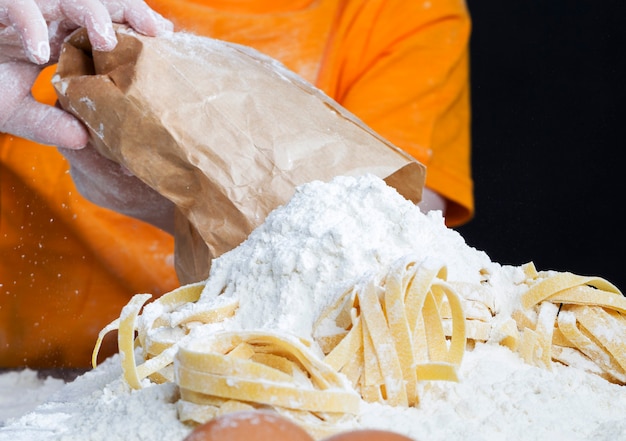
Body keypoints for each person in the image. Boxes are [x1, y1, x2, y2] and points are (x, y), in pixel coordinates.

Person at [0, 0, 473, 368]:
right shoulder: (29, 17)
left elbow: (383, 252)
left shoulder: (400, 14)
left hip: (270, 373)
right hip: (35, 382)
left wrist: (179, 201)